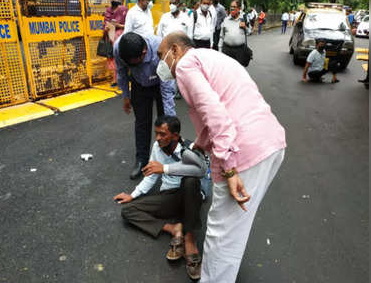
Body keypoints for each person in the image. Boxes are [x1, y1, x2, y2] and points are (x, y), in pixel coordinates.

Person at [156, 32, 286, 283]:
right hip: (269, 142)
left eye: (162, 55)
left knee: (221, 233)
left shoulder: (184, 65)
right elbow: (221, 106)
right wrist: (200, 145)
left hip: (243, 150)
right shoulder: (210, 57)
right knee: (233, 230)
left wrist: (228, 168)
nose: (161, 63)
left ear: (175, 50)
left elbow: (215, 113)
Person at [114, 115, 207, 280]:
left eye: (163, 134)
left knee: (190, 181)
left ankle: (189, 239)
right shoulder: (157, 147)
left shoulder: (188, 149)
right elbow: (151, 175)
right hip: (169, 196)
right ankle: (174, 229)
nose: (158, 138)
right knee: (128, 211)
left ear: (175, 136)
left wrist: (164, 168)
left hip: (191, 195)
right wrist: (133, 195)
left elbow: (201, 172)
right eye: (156, 133)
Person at [114, 32, 176, 180]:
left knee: (165, 123)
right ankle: (141, 159)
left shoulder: (159, 48)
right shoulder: (119, 49)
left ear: (144, 52)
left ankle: (168, 158)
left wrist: (171, 121)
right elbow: (122, 73)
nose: (134, 66)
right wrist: (125, 96)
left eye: (136, 62)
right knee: (142, 123)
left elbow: (168, 88)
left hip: (160, 82)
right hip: (139, 85)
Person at [104, 0, 128, 87]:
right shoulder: (108, 10)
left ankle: (125, 78)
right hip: (111, 36)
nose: (113, 1)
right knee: (113, 58)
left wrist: (119, 25)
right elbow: (105, 22)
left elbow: (129, 24)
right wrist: (107, 27)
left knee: (123, 57)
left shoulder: (124, 9)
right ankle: (115, 80)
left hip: (122, 35)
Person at [218, 0, 248, 65]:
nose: (232, 8)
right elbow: (221, 36)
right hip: (227, 50)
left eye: (234, 7)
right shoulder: (226, 20)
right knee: (226, 70)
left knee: (237, 71)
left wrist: (245, 27)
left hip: (239, 51)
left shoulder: (244, 19)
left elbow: (249, 32)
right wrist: (220, 50)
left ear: (239, 8)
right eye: (231, 6)